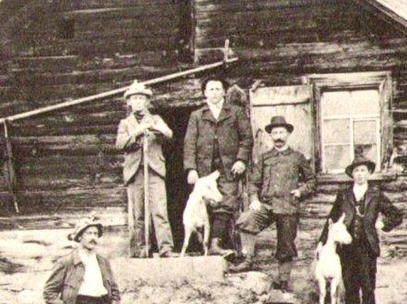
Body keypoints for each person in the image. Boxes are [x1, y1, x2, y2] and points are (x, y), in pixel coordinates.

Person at [318, 155, 403, 304]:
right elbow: (332, 219)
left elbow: (396, 215)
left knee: (368, 287)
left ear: (369, 173)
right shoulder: (344, 194)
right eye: (356, 171)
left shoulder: (376, 194)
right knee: (350, 287)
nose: (359, 174)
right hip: (346, 248)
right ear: (352, 174)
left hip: (367, 247)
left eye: (363, 170)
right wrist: (322, 241)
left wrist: (382, 224)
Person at [230, 116, 316, 289]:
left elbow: (312, 180)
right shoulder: (264, 158)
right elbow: (254, 182)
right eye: (275, 132)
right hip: (267, 204)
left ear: (288, 134)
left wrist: (301, 191)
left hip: (288, 206)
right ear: (270, 135)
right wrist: (254, 199)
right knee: (247, 219)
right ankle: (247, 259)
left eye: (281, 132)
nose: (278, 136)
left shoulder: (297, 157)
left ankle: (284, 281)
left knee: (285, 245)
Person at [183, 77, 253, 255]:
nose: (214, 92)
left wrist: (241, 160)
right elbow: (189, 144)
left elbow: (246, 138)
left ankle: (215, 244)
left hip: (229, 167)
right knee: (202, 206)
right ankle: (202, 246)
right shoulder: (197, 115)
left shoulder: (236, 112)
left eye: (217, 89)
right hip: (204, 170)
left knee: (226, 202)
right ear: (204, 93)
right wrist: (191, 168)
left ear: (224, 92)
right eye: (211, 89)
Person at [115, 80, 174, 258]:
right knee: (138, 214)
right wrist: (137, 132)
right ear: (129, 102)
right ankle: (140, 250)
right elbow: (119, 144)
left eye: (142, 98)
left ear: (147, 102)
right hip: (135, 173)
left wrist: (154, 127)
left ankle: (166, 249)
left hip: (154, 171)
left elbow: (169, 134)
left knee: (159, 211)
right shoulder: (125, 123)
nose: (138, 102)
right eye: (135, 99)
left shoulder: (155, 119)